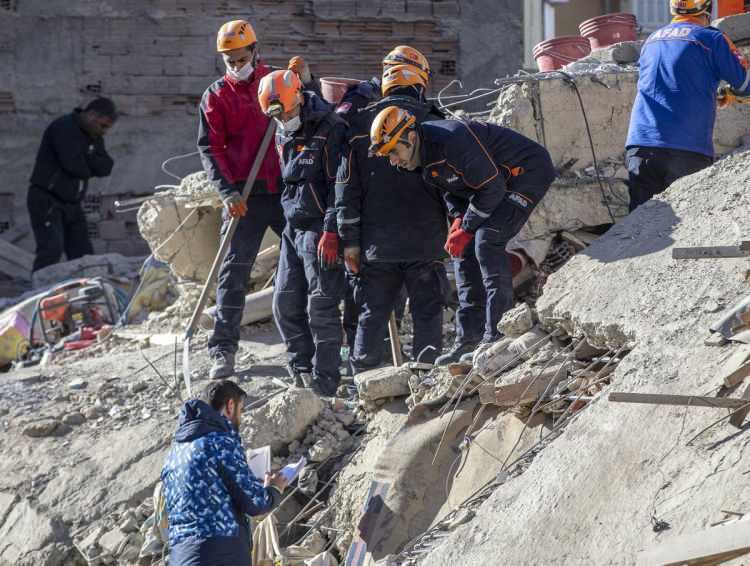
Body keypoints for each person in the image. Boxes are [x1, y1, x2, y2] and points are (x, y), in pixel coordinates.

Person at [369, 108, 555, 361]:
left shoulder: (452, 140)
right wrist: (458, 220)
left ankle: (497, 334)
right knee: (463, 253)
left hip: (526, 173)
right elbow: (451, 190)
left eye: (393, 151)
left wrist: (467, 228)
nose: (392, 160)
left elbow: (492, 188)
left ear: (410, 138)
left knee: (487, 240)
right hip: (495, 184)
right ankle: (468, 340)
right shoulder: (421, 158)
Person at [336, 46, 449, 374]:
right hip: (426, 243)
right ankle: (426, 380)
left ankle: (367, 384)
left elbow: (346, 190)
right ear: (420, 80)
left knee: (371, 313)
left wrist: (350, 242)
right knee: (427, 313)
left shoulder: (360, 123)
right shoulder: (435, 122)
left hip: (376, 245)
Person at [198, 20, 286, 379]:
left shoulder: (277, 84)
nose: (236, 65)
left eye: (241, 57)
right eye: (229, 60)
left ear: (254, 51)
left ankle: (326, 344)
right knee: (233, 274)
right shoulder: (216, 96)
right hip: (243, 198)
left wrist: (303, 81)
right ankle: (222, 350)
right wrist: (227, 191)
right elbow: (209, 148)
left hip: (285, 192)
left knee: (312, 266)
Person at [258, 69, 347, 396]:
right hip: (293, 228)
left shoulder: (330, 128)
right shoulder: (283, 129)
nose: (285, 120)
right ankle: (301, 369)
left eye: (289, 112)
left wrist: (331, 230)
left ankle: (327, 381)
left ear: (298, 97)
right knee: (284, 303)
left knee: (321, 306)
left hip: (320, 229)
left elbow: (341, 185)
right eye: (277, 116)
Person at [625, 0, 750, 212]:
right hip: (685, 148)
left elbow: (669, 81)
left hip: (641, 146)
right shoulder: (711, 38)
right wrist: (731, 92)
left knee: (639, 232)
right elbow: (746, 84)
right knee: (688, 228)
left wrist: (713, 94)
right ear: (708, 8)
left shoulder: (651, 41)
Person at [161, 380, 288, 566]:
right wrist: (274, 490)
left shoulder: (174, 454)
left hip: (180, 555)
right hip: (220, 553)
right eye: (241, 410)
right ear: (230, 405)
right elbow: (256, 504)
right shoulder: (220, 442)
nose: (241, 418)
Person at [27, 97, 116, 272]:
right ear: (91, 115)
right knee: (51, 251)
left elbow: (106, 166)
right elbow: (74, 166)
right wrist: (91, 159)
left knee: (83, 254)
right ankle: (39, 293)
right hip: (47, 200)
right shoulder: (64, 127)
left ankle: (83, 294)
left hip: (72, 203)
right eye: (103, 125)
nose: (104, 132)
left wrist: (87, 157)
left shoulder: (93, 135)